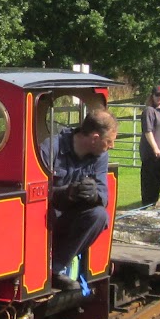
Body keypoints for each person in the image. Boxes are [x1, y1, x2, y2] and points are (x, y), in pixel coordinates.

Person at [41, 108, 117, 290]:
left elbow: (104, 195)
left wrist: (94, 194)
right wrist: (68, 192)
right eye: (109, 141)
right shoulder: (51, 148)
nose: (112, 146)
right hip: (44, 220)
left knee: (99, 215)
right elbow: (36, 193)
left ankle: (55, 269)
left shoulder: (100, 156)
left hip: (72, 221)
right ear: (95, 138)